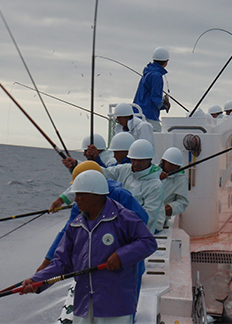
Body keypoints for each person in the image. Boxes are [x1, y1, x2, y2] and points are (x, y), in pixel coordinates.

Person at [20, 169, 157, 324]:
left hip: (116, 307)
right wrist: (36, 281)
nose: (76, 199)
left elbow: (148, 242)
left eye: (80, 195)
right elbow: (61, 262)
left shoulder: (124, 217)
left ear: (96, 195)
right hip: (83, 305)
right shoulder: (76, 225)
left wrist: (121, 256)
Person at [41, 161, 148, 310]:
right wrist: (46, 265)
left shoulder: (121, 196)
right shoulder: (81, 205)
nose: (76, 198)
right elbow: (67, 234)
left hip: (125, 266)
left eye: (79, 192)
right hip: (96, 269)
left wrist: (122, 252)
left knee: (126, 303)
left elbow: (144, 226)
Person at [101, 139, 166, 234]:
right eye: (133, 159)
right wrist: (77, 165)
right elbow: (105, 172)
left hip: (149, 225)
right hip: (126, 220)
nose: (135, 164)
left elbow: (148, 219)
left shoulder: (156, 186)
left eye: (140, 160)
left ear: (149, 160)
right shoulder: (125, 169)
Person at [133, 47, 170, 132]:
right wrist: (164, 105)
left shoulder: (148, 72)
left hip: (138, 112)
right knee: (159, 136)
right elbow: (155, 97)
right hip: (149, 114)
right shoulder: (157, 75)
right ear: (166, 62)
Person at [158, 147, 189, 226]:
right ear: (164, 162)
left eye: (175, 166)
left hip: (160, 217)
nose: (173, 168)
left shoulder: (181, 180)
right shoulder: (153, 171)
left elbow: (182, 202)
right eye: (170, 165)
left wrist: (172, 208)